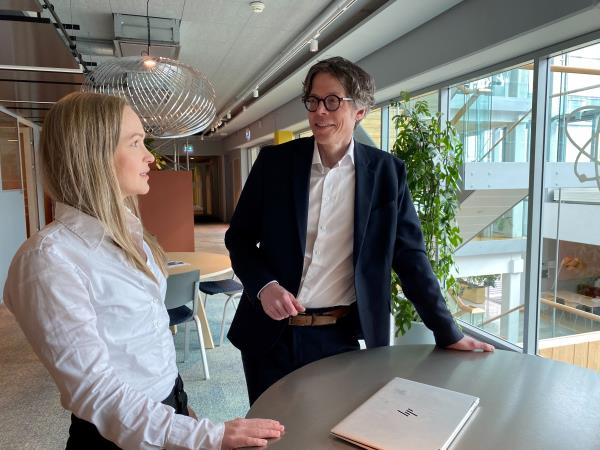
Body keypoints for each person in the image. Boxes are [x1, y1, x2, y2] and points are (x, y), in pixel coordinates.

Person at [2, 92, 283, 450]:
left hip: (165, 412)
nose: (150, 156)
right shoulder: (48, 260)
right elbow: (96, 393)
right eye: (135, 143)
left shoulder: (130, 233)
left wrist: (183, 412)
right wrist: (207, 436)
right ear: (94, 154)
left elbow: (146, 345)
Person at [225, 56, 494, 405]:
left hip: (339, 339)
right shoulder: (274, 164)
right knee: (270, 435)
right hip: (269, 336)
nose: (319, 112)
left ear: (360, 111)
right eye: (313, 101)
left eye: (332, 101)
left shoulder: (386, 175)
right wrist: (265, 286)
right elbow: (240, 238)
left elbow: (410, 257)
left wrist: (448, 331)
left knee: (332, 433)